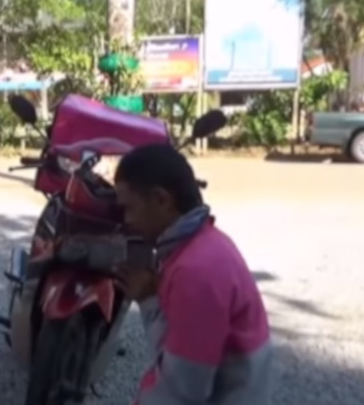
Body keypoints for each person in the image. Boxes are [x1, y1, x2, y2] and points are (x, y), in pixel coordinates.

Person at [113, 144, 272, 405]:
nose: (126, 220)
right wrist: (149, 299)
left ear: (161, 200)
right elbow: (175, 350)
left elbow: (181, 393)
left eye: (129, 208)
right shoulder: (201, 244)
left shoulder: (197, 273)